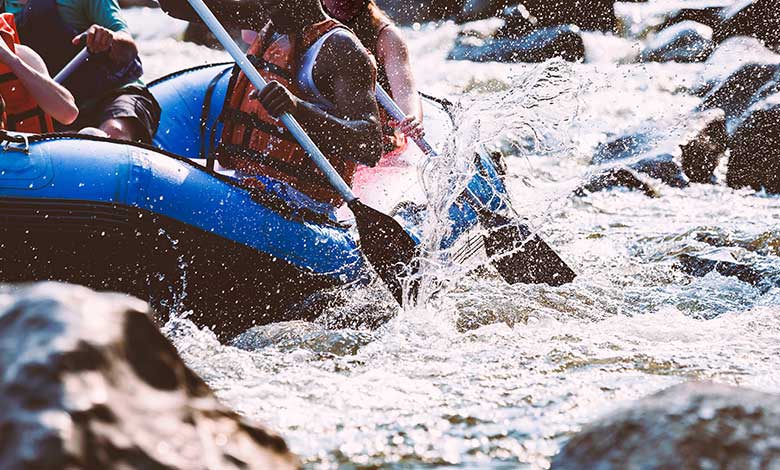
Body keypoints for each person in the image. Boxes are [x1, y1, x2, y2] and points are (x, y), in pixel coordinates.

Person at [159, 0, 383, 206]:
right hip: (250, 184)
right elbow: (177, 6)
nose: (265, 4)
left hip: (303, 204)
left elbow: (370, 145)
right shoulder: (271, 14)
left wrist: (297, 109)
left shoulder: (341, 48)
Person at [4, 0, 160, 143]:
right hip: (57, 107)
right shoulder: (4, 10)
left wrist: (109, 38)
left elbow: (129, 47)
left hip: (113, 95)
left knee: (114, 132)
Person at [322, 0, 423, 153]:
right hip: (329, 135)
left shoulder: (388, 37)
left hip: (381, 145)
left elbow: (406, 92)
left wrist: (411, 118)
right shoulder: (303, 26)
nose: (342, 1)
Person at [0, 12, 77, 131]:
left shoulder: (21, 55)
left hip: (25, 148)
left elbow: (68, 113)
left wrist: (10, 59)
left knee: (92, 133)